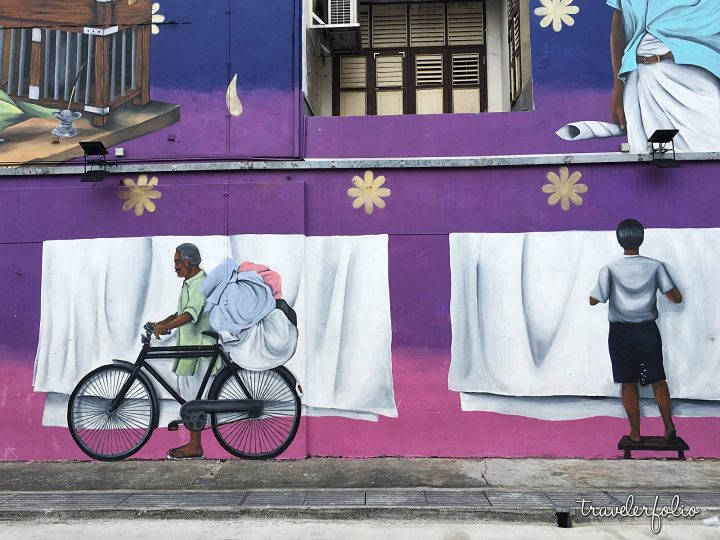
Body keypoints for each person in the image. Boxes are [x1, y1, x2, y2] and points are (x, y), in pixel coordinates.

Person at [589, 219, 682, 443]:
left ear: (620, 240)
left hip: (620, 332)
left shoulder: (609, 269)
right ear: (641, 238)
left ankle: (635, 433)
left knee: (628, 382)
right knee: (658, 379)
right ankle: (668, 425)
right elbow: (676, 298)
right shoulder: (656, 266)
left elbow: (594, 300)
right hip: (647, 330)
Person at [609, 0, 720, 152]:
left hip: (693, 81)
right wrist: (618, 89)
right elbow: (619, 23)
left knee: (707, 155)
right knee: (648, 163)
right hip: (639, 79)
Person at [154, 243, 216, 459]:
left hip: (200, 350)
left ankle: (195, 447)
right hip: (190, 349)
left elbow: (190, 314)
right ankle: (194, 445)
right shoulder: (190, 283)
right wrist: (163, 322)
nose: (175, 267)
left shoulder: (202, 284)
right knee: (190, 397)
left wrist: (168, 327)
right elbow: (181, 311)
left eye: (177, 262)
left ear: (187, 262)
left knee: (194, 398)